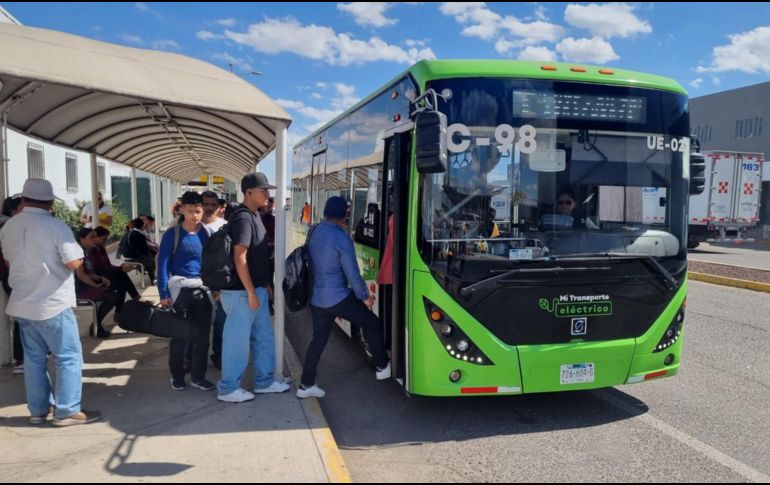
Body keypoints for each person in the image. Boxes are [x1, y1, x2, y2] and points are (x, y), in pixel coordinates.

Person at [0, 178, 101, 426]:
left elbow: (9, 263)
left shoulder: (8, 227)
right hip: (52, 302)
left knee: (34, 359)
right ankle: (67, 410)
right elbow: (74, 263)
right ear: (50, 203)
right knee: (68, 357)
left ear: (23, 200)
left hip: (22, 303)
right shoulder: (56, 226)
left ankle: (38, 411)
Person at [298, 196, 391, 399]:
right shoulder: (341, 238)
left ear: (325, 213)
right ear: (345, 216)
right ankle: (383, 365)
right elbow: (352, 273)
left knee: (318, 340)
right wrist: (365, 298)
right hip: (337, 297)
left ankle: (306, 384)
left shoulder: (315, 231)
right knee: (371, 322)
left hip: (316, 298)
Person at [217, 173, 290, 403]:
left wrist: (263, 285)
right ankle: (228, 388)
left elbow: (257, 256)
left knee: (263, 337)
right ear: (249, 192)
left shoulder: (254, 215)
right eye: (263, 191)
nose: (268, 195)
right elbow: (240, 257)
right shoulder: (243, 218)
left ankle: (264, 382)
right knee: (236, 342)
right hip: (241, 292)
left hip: (254, 289)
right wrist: (250, 291)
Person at [157, 191, 215, 392]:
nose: (195, 215)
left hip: (202, 290)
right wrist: (164, 295)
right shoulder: (171, 235)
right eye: (190, 211)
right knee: (179, 336)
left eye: (198, 211)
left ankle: (198, 377)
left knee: (202, 337)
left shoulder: (206, 233)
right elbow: (162, 265)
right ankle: (177, 376)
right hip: (179, 291)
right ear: (181, 210)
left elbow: (212, 262)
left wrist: (215, 288)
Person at [76, 228, 121, 339]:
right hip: (78, 289)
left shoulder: (85, 252)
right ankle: (97, 325)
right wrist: (95, 285)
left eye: (95, 237)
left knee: (115, 289)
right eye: (91, 237)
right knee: (112, 296)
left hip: (86, 286)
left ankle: (97, 324)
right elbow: (81, 275)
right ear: (82, 239)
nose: (95, 240)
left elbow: (90, 273)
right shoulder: (77, 253)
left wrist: (101, 279)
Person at [200, 191, 227, 368]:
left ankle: (218, 355)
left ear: (219, 207)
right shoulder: (186, 225)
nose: (209, 208)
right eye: (206, 204)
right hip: (196, 283)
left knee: (221, 322)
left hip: (221, 284)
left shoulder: (226, 226)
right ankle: (193, 357)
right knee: (197, 323)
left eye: (213, 205)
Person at [89, 227, 142, 303]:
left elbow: (108, 265)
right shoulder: (91, 250)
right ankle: (135, 297)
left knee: (122, 278)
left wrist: (120, 268)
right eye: (103, 239)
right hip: (98, 276)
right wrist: (120, 269)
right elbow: (97, 268)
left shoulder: (101, 249)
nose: (105, 242)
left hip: (106, 273)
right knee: (121, 282)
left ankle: (134, 298)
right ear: (96, 237)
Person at [0, 195, 23, 372]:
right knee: (22, 318)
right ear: (14, 210)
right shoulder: (8, 226)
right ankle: (21, 358)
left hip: (9, 275)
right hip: (12, 276)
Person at [121, 217, 157, 284]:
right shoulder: (138, 234)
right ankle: (153, 279)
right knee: (151, 261)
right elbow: (144, 248)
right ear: (142, 225)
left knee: (150, 255)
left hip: (126, 256)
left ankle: (145, 270)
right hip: (133, 257)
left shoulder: (130, 232)